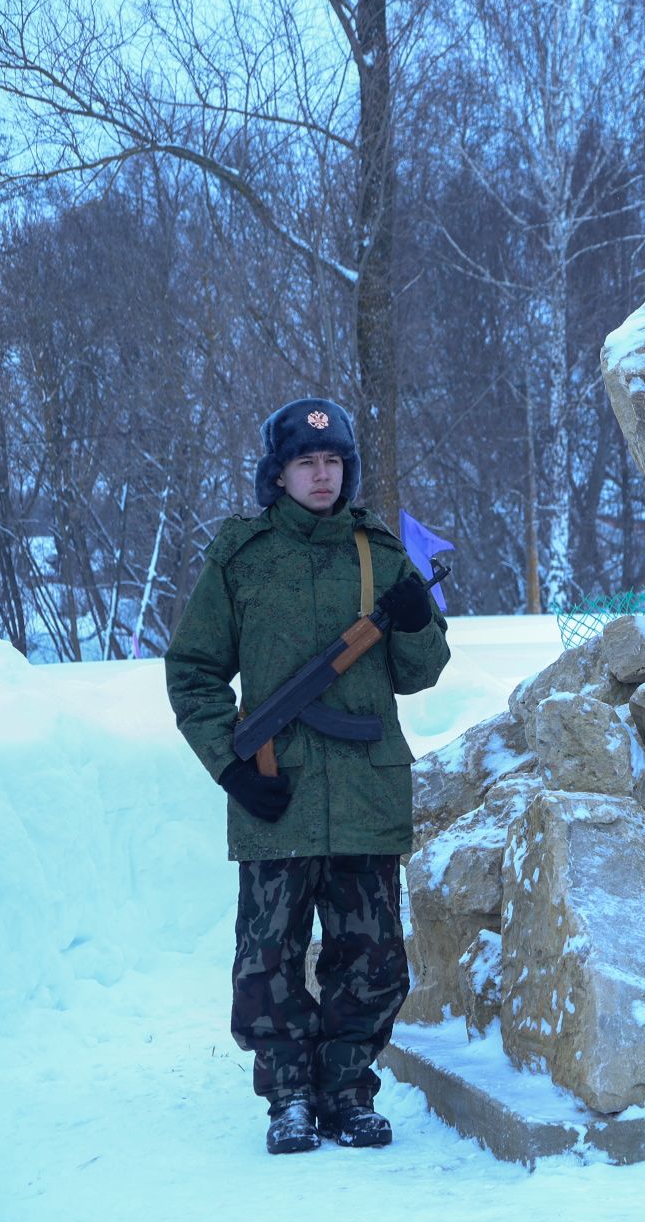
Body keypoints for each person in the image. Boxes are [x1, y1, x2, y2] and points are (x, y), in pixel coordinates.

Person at [165, 398, 450, 1153]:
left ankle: (347, 1094)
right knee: (268, 961)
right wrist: (229, 765)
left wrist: (416, 622)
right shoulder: (242, 557)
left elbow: (420, 673)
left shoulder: (379, 553)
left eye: (333, 462)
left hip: (365, 791)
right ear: (279, 474)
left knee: (373, 959)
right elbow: (192, 670)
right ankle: (289, 1097)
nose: (322, 476)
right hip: (277, 791)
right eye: (305, 463)